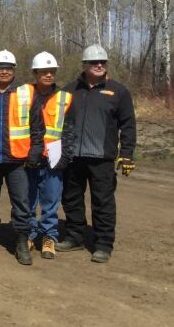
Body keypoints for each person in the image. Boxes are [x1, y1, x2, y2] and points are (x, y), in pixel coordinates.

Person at [57, 44, 136, 263]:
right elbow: (58, 123)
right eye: (94, 62)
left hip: (102, 157)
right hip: (73, 157)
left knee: (103, 201)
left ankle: (103, 244)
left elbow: (128, 125)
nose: (99, 65)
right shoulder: (69, 90)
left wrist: (127, 153)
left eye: (102, 62)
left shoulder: (118, 92)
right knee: (71, 199)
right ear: (84, 65)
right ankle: (74, 237)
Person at [0, 50, 44, 265]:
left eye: (8, 68)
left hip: (18, 160)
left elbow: (38, 128)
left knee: (22, 203)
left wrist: (34, 154)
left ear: (14, 70)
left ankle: (22, 240)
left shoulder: (27, 93)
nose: (4, 71)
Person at [26, 52, 75, 259]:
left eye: (52, 72)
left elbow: (70, 130)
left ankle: (49, 237)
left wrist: (66, 155)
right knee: (27, 199)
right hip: (29, 155)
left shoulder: (65, 98)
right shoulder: (23, 95)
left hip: (54, 156)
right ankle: (28, 233)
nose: (48, 75)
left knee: (51, 200)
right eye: (44, 72)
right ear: (35, 73)